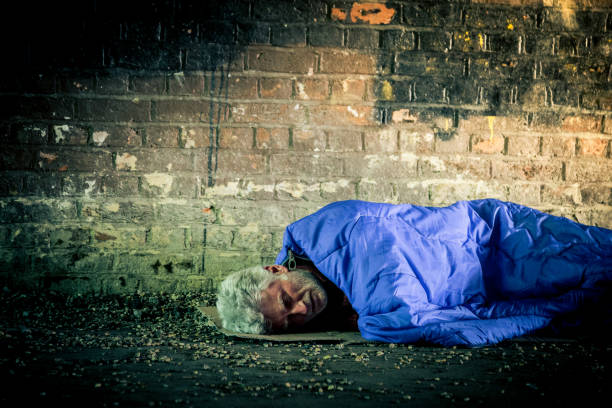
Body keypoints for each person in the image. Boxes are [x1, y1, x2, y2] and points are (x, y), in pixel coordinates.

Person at [216, 199, 612, 346]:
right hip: (473, 290)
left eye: (286, 299)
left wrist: (370, 318)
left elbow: (383, 255)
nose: (300, 312)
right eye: (288, 322)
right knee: (580, 300)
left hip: (483, 238)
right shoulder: (323, 300)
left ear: (276, 268)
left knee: (581, 258)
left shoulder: (327, 230)